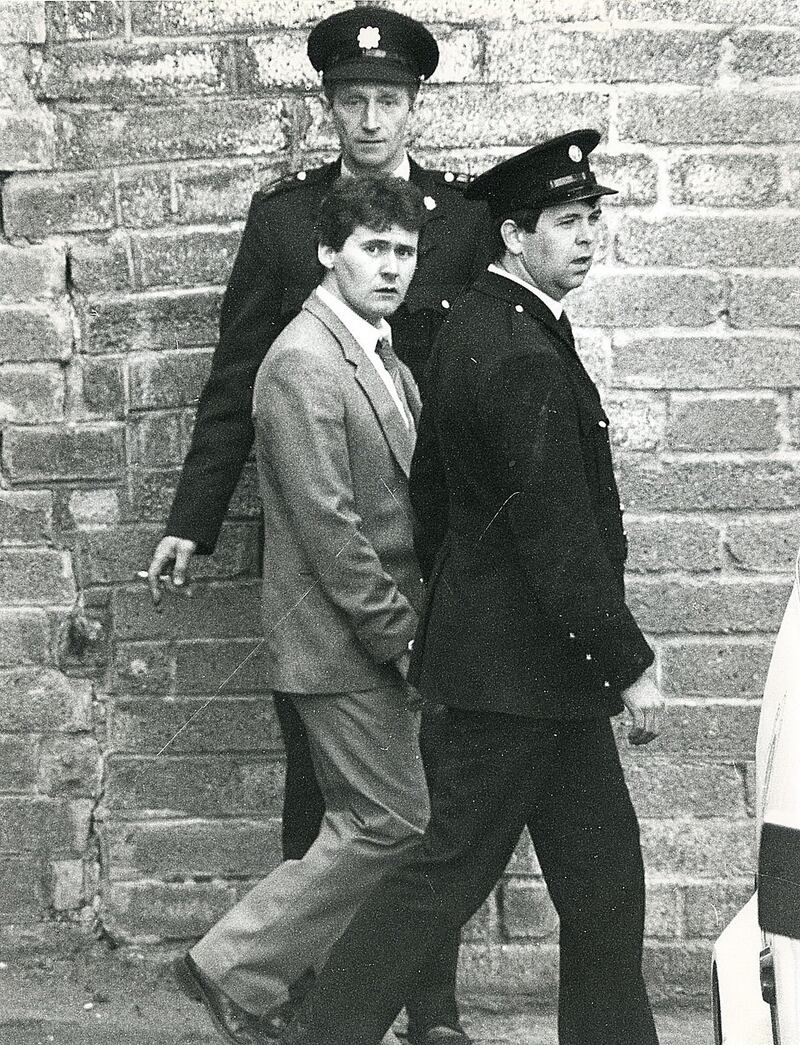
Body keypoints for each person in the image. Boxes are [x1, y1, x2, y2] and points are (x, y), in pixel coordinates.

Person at [280, 130, 666, 1045]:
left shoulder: (490, 328)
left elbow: (436, 506)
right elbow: (560, 539)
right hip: (518, 677)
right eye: (567, 222)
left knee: (604, 882)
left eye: (593, 219)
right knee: (440, 875)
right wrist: (631, 661)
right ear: (513, 235)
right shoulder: (518, 351)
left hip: (534, 674)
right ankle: (330, 1029)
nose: (586, 238)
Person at [146, 8, 486, 1044]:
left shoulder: (457, 222)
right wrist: (193, 520)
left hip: (433, 545)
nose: (371, 116)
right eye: (353, 99)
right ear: (328, 105)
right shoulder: (287, 222)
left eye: (390, 99)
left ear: (414, 106)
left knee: (418, 804)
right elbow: (240, 376)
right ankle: (290, 992)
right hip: (342, 561)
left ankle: (425, 1008)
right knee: (352, 801)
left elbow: (467, 392)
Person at [174, 175, 443, 1045]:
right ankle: (232, 964)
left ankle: (286, 985)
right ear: (329, 252)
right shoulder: (301, 359)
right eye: (374, 248)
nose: (393, 267)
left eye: (404, 252)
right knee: (391, 821)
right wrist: (401, 638)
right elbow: (329, 527)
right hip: (341, 642)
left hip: (363, 636)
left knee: (375, 822)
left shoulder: (379, 351)